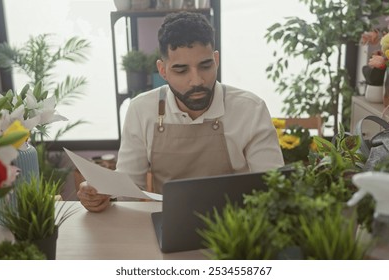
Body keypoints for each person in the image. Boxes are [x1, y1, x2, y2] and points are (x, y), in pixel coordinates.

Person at [77, 11, 284, 212]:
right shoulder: (142, 109)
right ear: (162, 70)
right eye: (181, 70)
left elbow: (274, 188)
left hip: (237, 229)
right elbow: (128, 190)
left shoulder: (251, 109)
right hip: (169, 225)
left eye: (205, 66)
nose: (197, 81)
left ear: (216, 60)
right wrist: (102, 195)